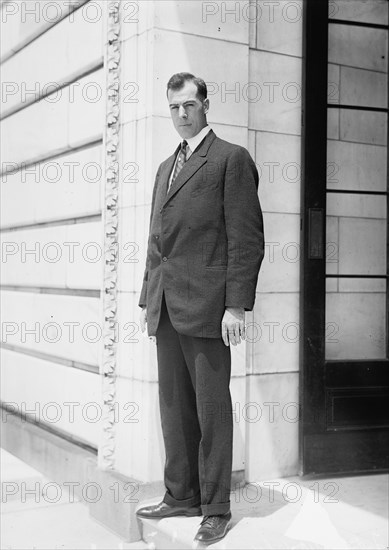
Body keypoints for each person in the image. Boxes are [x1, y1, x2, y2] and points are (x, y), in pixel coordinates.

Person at [136, 72, 264, 544]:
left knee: (211, 409)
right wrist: (148, 297)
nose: (181, 115)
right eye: (173, 107)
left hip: (210, 308)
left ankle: (215, 507)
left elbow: (247, 240)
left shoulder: (231, 159)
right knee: (174, 407)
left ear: (205, 104)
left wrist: (237, 307)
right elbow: (156, 241)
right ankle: (181, 495)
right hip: (167, 306)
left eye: (189, 105)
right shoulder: (165, 167)